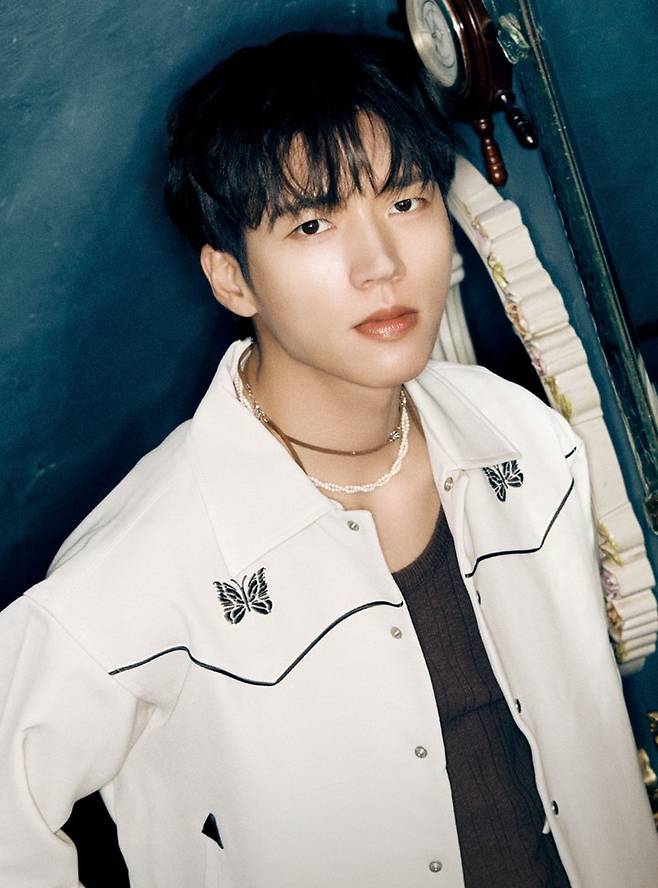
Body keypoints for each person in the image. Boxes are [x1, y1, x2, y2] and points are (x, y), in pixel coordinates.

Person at [0, 30, 656, 888]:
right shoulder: (144, 559)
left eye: (406, 202)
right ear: (231, 278)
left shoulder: (521, 436)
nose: (381, 264)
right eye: (313, 223)